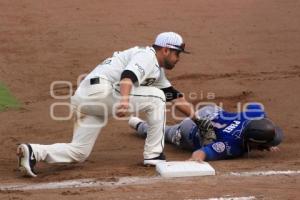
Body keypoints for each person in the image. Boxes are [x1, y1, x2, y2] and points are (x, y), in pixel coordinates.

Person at [17, 32, 197, 177]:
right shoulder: (147, 56)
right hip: (100, 92)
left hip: (86, 98)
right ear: (165, 50)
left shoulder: (157, 72)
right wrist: (125, 101)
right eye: (177, 53)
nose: (178, 58)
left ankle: (34, 152)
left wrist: (199, 119)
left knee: (79, 152)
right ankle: (154, 156)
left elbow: (175, 97)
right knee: (157, 97)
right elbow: (128, 76)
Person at [128, 103, 284, 162]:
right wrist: (194, 162)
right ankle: (140, 125)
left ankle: (140, 124)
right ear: (252, 141)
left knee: (213, 132)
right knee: (165, 132)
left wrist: (264, 136)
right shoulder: (229, 146)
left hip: (211, 110)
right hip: (190, 130)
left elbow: (256, 107)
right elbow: (201, 153)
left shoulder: (255, 117)